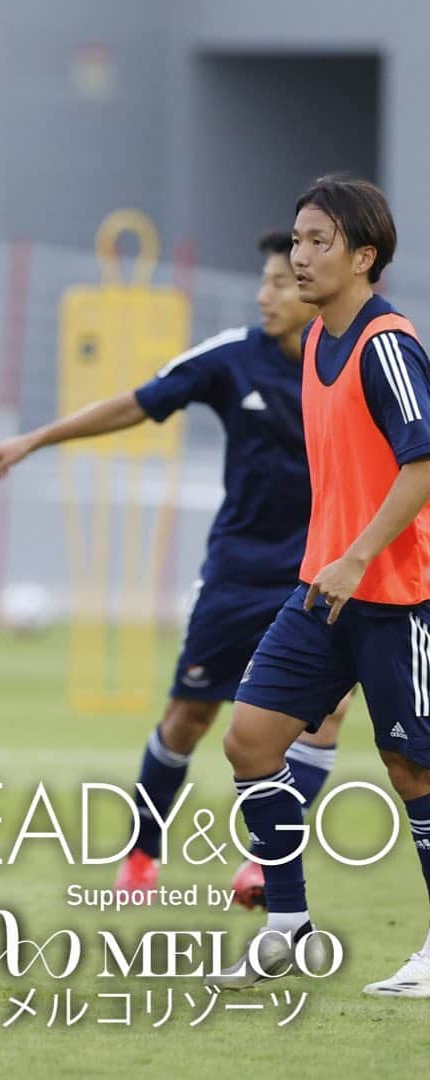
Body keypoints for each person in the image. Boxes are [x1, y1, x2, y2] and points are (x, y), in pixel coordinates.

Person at [0, 232, 350, 905]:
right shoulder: (231, 358)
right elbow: (138, 402)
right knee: (189, 718)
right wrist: (35, 439)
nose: (266, 295)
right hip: (238, 575)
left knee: (328, 713)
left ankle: (268, 861)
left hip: (322, 573)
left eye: (280, 283)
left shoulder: (352, 363)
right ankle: (141, 854)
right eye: (263, 281)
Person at [214, 176, 430, 996]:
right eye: (297, 241)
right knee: (251, 740)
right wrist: (331, 563)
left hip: (400, 594)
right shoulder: (316, 344)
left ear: (364, 257)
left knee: (413, 771)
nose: (299, 256)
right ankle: (288, 927)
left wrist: (357, 555)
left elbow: (424, 462)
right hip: (324, 593)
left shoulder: (385, 344)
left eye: (317, 242)